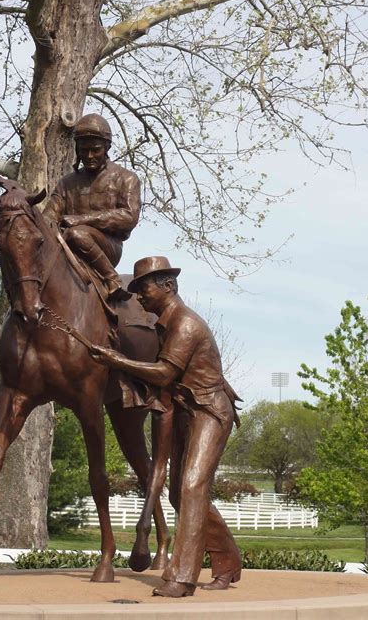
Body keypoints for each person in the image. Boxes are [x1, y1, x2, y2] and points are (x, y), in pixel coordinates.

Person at [90, 256, 242, 598]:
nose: (138, 297)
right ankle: (228, 559)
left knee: (191, 485)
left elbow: (163, 374)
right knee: (178, 493)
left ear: (167, 286)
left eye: (143, 288)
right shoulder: (163, 325)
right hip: (185, 411)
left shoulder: (185, 325)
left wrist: (116, 360)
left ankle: (183, 578)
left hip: (209, 412)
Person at [43, 113, 140, 300]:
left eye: (95, 150)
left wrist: (81, 220)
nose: (89, 156)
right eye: (83, 150)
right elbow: (49, 216)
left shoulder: (126, 178)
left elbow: (129, 216)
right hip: (66, 246)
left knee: (77, 233)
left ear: (107, 147)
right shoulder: (67, 183)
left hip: (107, 247)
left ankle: (112, 279)